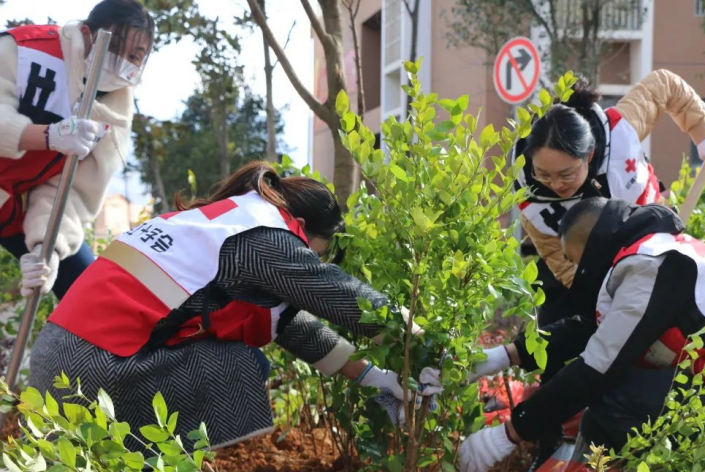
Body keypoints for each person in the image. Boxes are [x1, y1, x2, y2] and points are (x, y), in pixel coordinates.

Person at [29, 162, 442, 450]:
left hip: (58, 364)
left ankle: (141, 462)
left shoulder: (227, 220)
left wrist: (375, 378)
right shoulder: (264, 235)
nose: (311, 259)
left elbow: (289, 325)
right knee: (242, 363)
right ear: (303, 230)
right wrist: (434, 349)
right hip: (90, 373)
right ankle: (152, 462)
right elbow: (342, 295)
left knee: (240, 349)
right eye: (315, 252)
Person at [459, 198, 705, 472]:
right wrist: (504, 356)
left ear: (594, 247)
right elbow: (597, 330)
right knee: (603, 412)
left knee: (611, 400)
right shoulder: (668, 250)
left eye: (575, 262)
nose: (575, 272)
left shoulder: (649, 265)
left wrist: (508, 434)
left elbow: (597, 368)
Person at [513, 70, 705, 327]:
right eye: (543, 175)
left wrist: (703, 131)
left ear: (589, 155)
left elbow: (664, 84)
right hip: (596, 278)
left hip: (659, 242)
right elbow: (564, 266)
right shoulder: (531, 205)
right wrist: (607, 297)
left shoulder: (620, 129)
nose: (556, 184)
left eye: (566, 174)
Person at [0, 0, 154, 299]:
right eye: (114, 47)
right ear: (86, 33)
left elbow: (75, 192)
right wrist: (48, 136)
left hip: (16, 209)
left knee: (89, 293)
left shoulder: (116, 113)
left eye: (135, 56)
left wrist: (46, 248)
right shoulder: (24, 49)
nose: (122, 62)